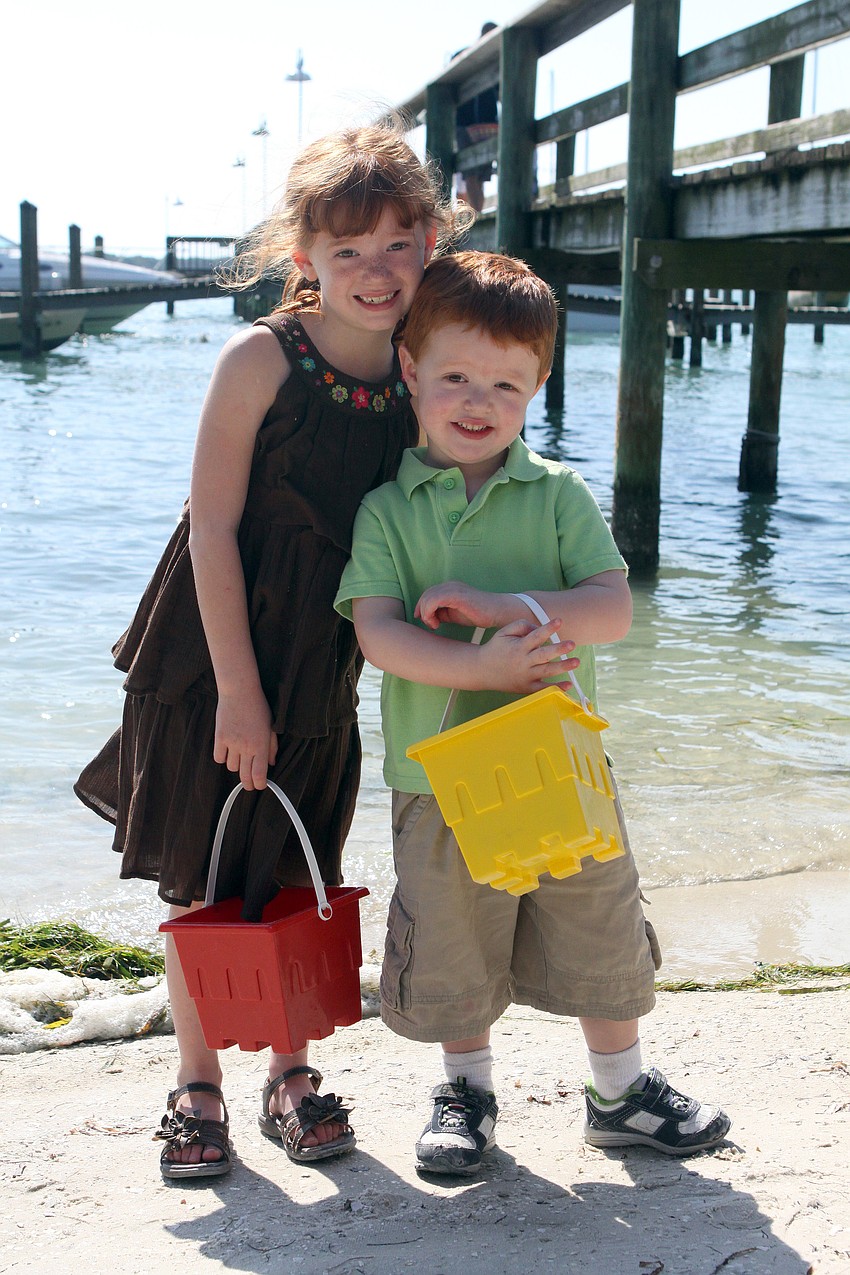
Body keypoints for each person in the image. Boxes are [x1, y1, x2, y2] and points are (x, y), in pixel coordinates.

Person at [74, 120, 462, 1181]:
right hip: (210, 651)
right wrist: (238, 695)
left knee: (298, 861)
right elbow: (210, 529)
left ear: (431, 239)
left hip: (323, 660)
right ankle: (195, 1084)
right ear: (304, 262)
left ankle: (287, 1075)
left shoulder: (422, 365)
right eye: (349, 252)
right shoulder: (260, 358)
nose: (376, 273)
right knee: (203, 871)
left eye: (397, 244)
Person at [334, 251, 731, 1176]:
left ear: (538, 385)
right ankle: (465, 1090)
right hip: (439, 775)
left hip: (559, 763)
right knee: (454, 938)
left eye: (507, 383)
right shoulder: (388, 510)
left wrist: (512, 614)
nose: (479, 400)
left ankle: (621, 1088)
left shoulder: (558, 493)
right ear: (411, 371)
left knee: (596, 921)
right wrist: (487, 663)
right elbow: (380, 634)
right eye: (457, 377)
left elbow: (614, 607)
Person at [452, 22, 499, 212]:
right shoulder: (464, 57)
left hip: (487, 126)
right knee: (471, 173)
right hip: (466, 125)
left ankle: (474, 215)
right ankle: (474, 216)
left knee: (479, 174)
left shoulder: (496, 60)